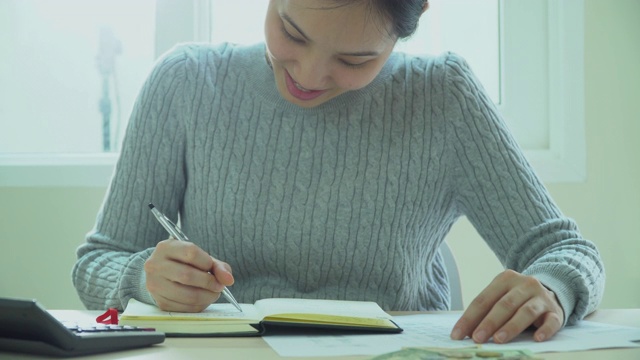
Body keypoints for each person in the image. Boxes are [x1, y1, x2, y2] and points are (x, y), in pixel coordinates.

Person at [73, 0, 605, 345]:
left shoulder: (443, 96)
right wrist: (141, 276)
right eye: (292, 33)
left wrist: (552, 288)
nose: (309, 75)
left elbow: (569, 253)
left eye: (354, 60)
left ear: (403, 32)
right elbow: (97, 263)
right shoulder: (187, 83)